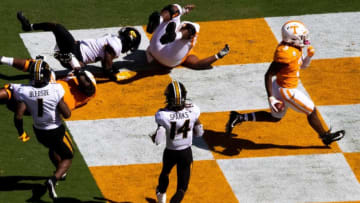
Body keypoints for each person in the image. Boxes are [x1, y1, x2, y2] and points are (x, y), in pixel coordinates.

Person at [225, 20, 345, 146]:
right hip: (287, 90)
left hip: (280, 86)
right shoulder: (285, 53)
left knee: (275, 117)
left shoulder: (294, 47)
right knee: (311, 110)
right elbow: (268, 75)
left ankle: (239, 117)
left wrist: (309, 57)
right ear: (292, 38)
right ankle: (325, 136)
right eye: (302, 37)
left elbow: (301, 66)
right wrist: (272, 99)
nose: (305, 39)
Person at [16, 11, 141, 82]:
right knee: (56, 28)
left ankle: (30, 27)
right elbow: (106, 59)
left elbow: (106, 58)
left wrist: (109, 72)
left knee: (57, 27)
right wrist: (110, 73)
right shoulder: (117, 44)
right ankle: (29, 27)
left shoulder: (116, 42)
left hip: (75, 53)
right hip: (76, 51)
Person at [10, 58, 72, 199]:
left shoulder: (24, 91)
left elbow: (18, 115)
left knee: (53, 148)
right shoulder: (56, 89)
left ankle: (60, 171)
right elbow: (67, 114)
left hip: (39, 132)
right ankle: (53, 179)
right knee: (68, 156)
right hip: (56, 130)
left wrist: (21, 132)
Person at [151, 80, 204, 203]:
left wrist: (154, 136)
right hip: (186, 152)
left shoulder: (162, 115)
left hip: (170, 152)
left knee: (165, 173)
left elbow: (158, 140)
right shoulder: (193, 110)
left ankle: (161, 198)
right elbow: (200, 133)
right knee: (182, 188)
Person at [146, 4, 230, 70]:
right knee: (190, 22)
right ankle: (163, 24)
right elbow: (198, 64)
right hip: (165, 57)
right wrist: (218, 55)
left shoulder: (187, 55)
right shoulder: (186, 53)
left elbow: (198, 64)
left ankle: (161, 19)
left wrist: (182, 11)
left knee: (178, 10)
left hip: (154, 47)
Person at [0, 55, 97, 112]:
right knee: (41, 68)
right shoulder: (72, 74)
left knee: (39, 65)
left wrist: (77, 69)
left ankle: (3, 59)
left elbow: (88, 88)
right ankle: (3, 60)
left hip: (55, 99)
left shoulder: (88, 77)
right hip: (52, 103)